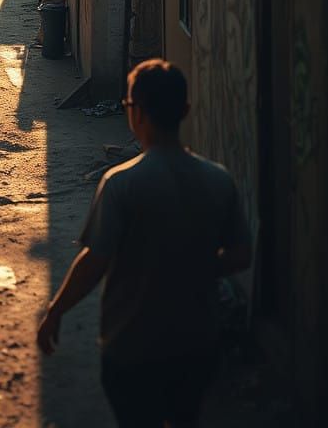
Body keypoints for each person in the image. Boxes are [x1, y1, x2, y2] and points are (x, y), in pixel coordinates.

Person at [37, 59, 252, 427]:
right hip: (197, 342)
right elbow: (241, 255)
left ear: (135, 113)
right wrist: (195, 264)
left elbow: (95, 261)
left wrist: (56, 310)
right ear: (184, 111)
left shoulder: (122, 184)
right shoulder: (218, 180)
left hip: (131, 344)